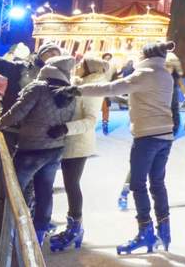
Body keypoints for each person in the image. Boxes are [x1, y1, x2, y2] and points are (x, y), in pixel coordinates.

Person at [62, 41, 177, 254]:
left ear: (146, 55)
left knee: (137, 184)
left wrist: (77, 90)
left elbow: (111, 87)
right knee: (157, 183)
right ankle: (164, 229)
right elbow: (138, 95)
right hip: (165, 136)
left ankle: (146, 232)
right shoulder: (165, 75)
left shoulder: (145, 74)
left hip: (147, 136)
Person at [0, 56, 77, 244]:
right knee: (45, 190)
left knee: (14, 191)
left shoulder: (38, 88)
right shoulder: (70, 93)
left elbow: (18, 112)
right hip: (55, 149)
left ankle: (9, 231)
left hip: (31, 148)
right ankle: (39, 233)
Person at [49, 56, 111, 252]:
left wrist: (65, 128)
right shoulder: (81, 84)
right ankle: (72, 225)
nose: (78, 67)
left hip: (78, 142)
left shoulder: (93, 89)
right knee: (68, 184)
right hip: (68, 139)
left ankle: (75, 227)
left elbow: (91, 120)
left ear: (89, 69)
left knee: (71, 184)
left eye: (82, 65)